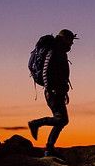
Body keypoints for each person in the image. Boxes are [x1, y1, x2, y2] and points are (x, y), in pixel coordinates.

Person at [28, 29, 78, 157]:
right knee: (62, 119)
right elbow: (46, 71)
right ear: (64, 39)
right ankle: (36, 125)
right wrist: (52, 89)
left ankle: (49, 148)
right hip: (53, 91)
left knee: (61, 120)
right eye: (70, 41)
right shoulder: (55, 50)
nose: (71, 44)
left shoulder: (58, 50)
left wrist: (63, 91)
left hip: (57, 90)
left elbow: (59, 73)